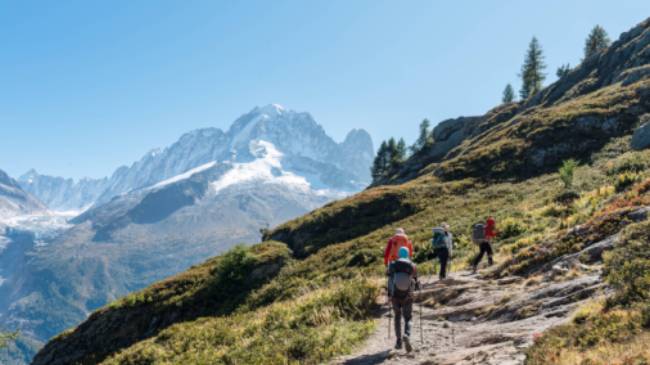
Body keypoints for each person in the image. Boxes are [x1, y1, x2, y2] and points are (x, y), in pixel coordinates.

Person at [387, 246, 419, 352]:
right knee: (408, 318)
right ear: (408, 254)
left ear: (399, 254)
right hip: (407, 296)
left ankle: (398, 341)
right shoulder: (412, 265)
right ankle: (407, 335)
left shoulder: (393, 264)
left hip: (395, 296)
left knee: (397, 316)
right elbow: (416, 282)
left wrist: (389, 294)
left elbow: (389, 279)